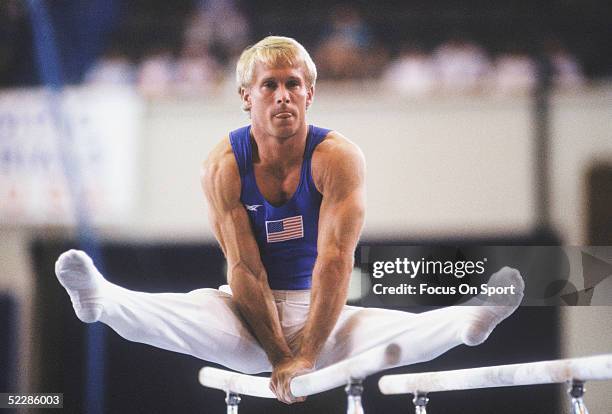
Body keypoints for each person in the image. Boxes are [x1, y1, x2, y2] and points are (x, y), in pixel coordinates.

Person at [55, 36, 524, 405]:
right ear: (246, 97)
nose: (283, 97)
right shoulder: (223, 165)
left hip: (323, 310)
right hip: (247, 317)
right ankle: (105, 299)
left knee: (391, 332)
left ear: (310, 92)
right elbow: (244, 270)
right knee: (188, 314)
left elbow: (336, 262)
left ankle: (468, 321)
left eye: (293, 84)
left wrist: (306, 354)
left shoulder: (337, 158)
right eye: (270, 85)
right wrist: (280, 356)